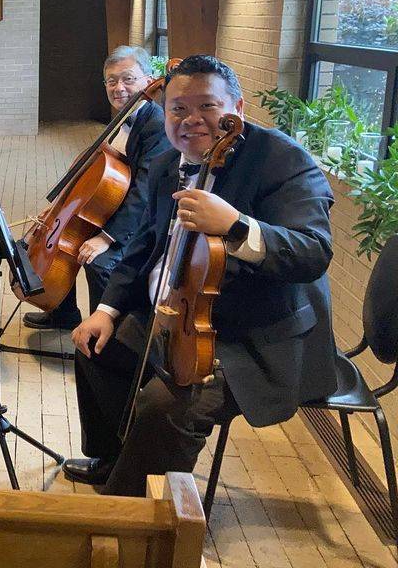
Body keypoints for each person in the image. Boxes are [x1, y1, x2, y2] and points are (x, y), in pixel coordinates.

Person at [65, 55, 337, 495]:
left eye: (208, 107)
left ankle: (136, 516)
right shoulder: (168, 163)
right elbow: (143, 245)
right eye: (178, 109)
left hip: (249, 337)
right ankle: (113, 459)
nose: (192, 120)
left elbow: (313, 252)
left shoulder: (283, 162)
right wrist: (107, 310)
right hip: (177, 318)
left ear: (238, 109)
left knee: (166, 405)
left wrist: (235, 225)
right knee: (94, 344)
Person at [24, 46, 170, 330]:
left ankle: (103, 336)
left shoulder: (156, 124)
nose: (119, 88)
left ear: (148, 79)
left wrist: (107, 238)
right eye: (111, 81)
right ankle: (63, 313)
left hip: (140, 219)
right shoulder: (121, 116)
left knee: (99, 262)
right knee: (65, 241)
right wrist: (60, 206)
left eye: (128, 79)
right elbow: (96, 173)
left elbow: (143, 193)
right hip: (111, 206)